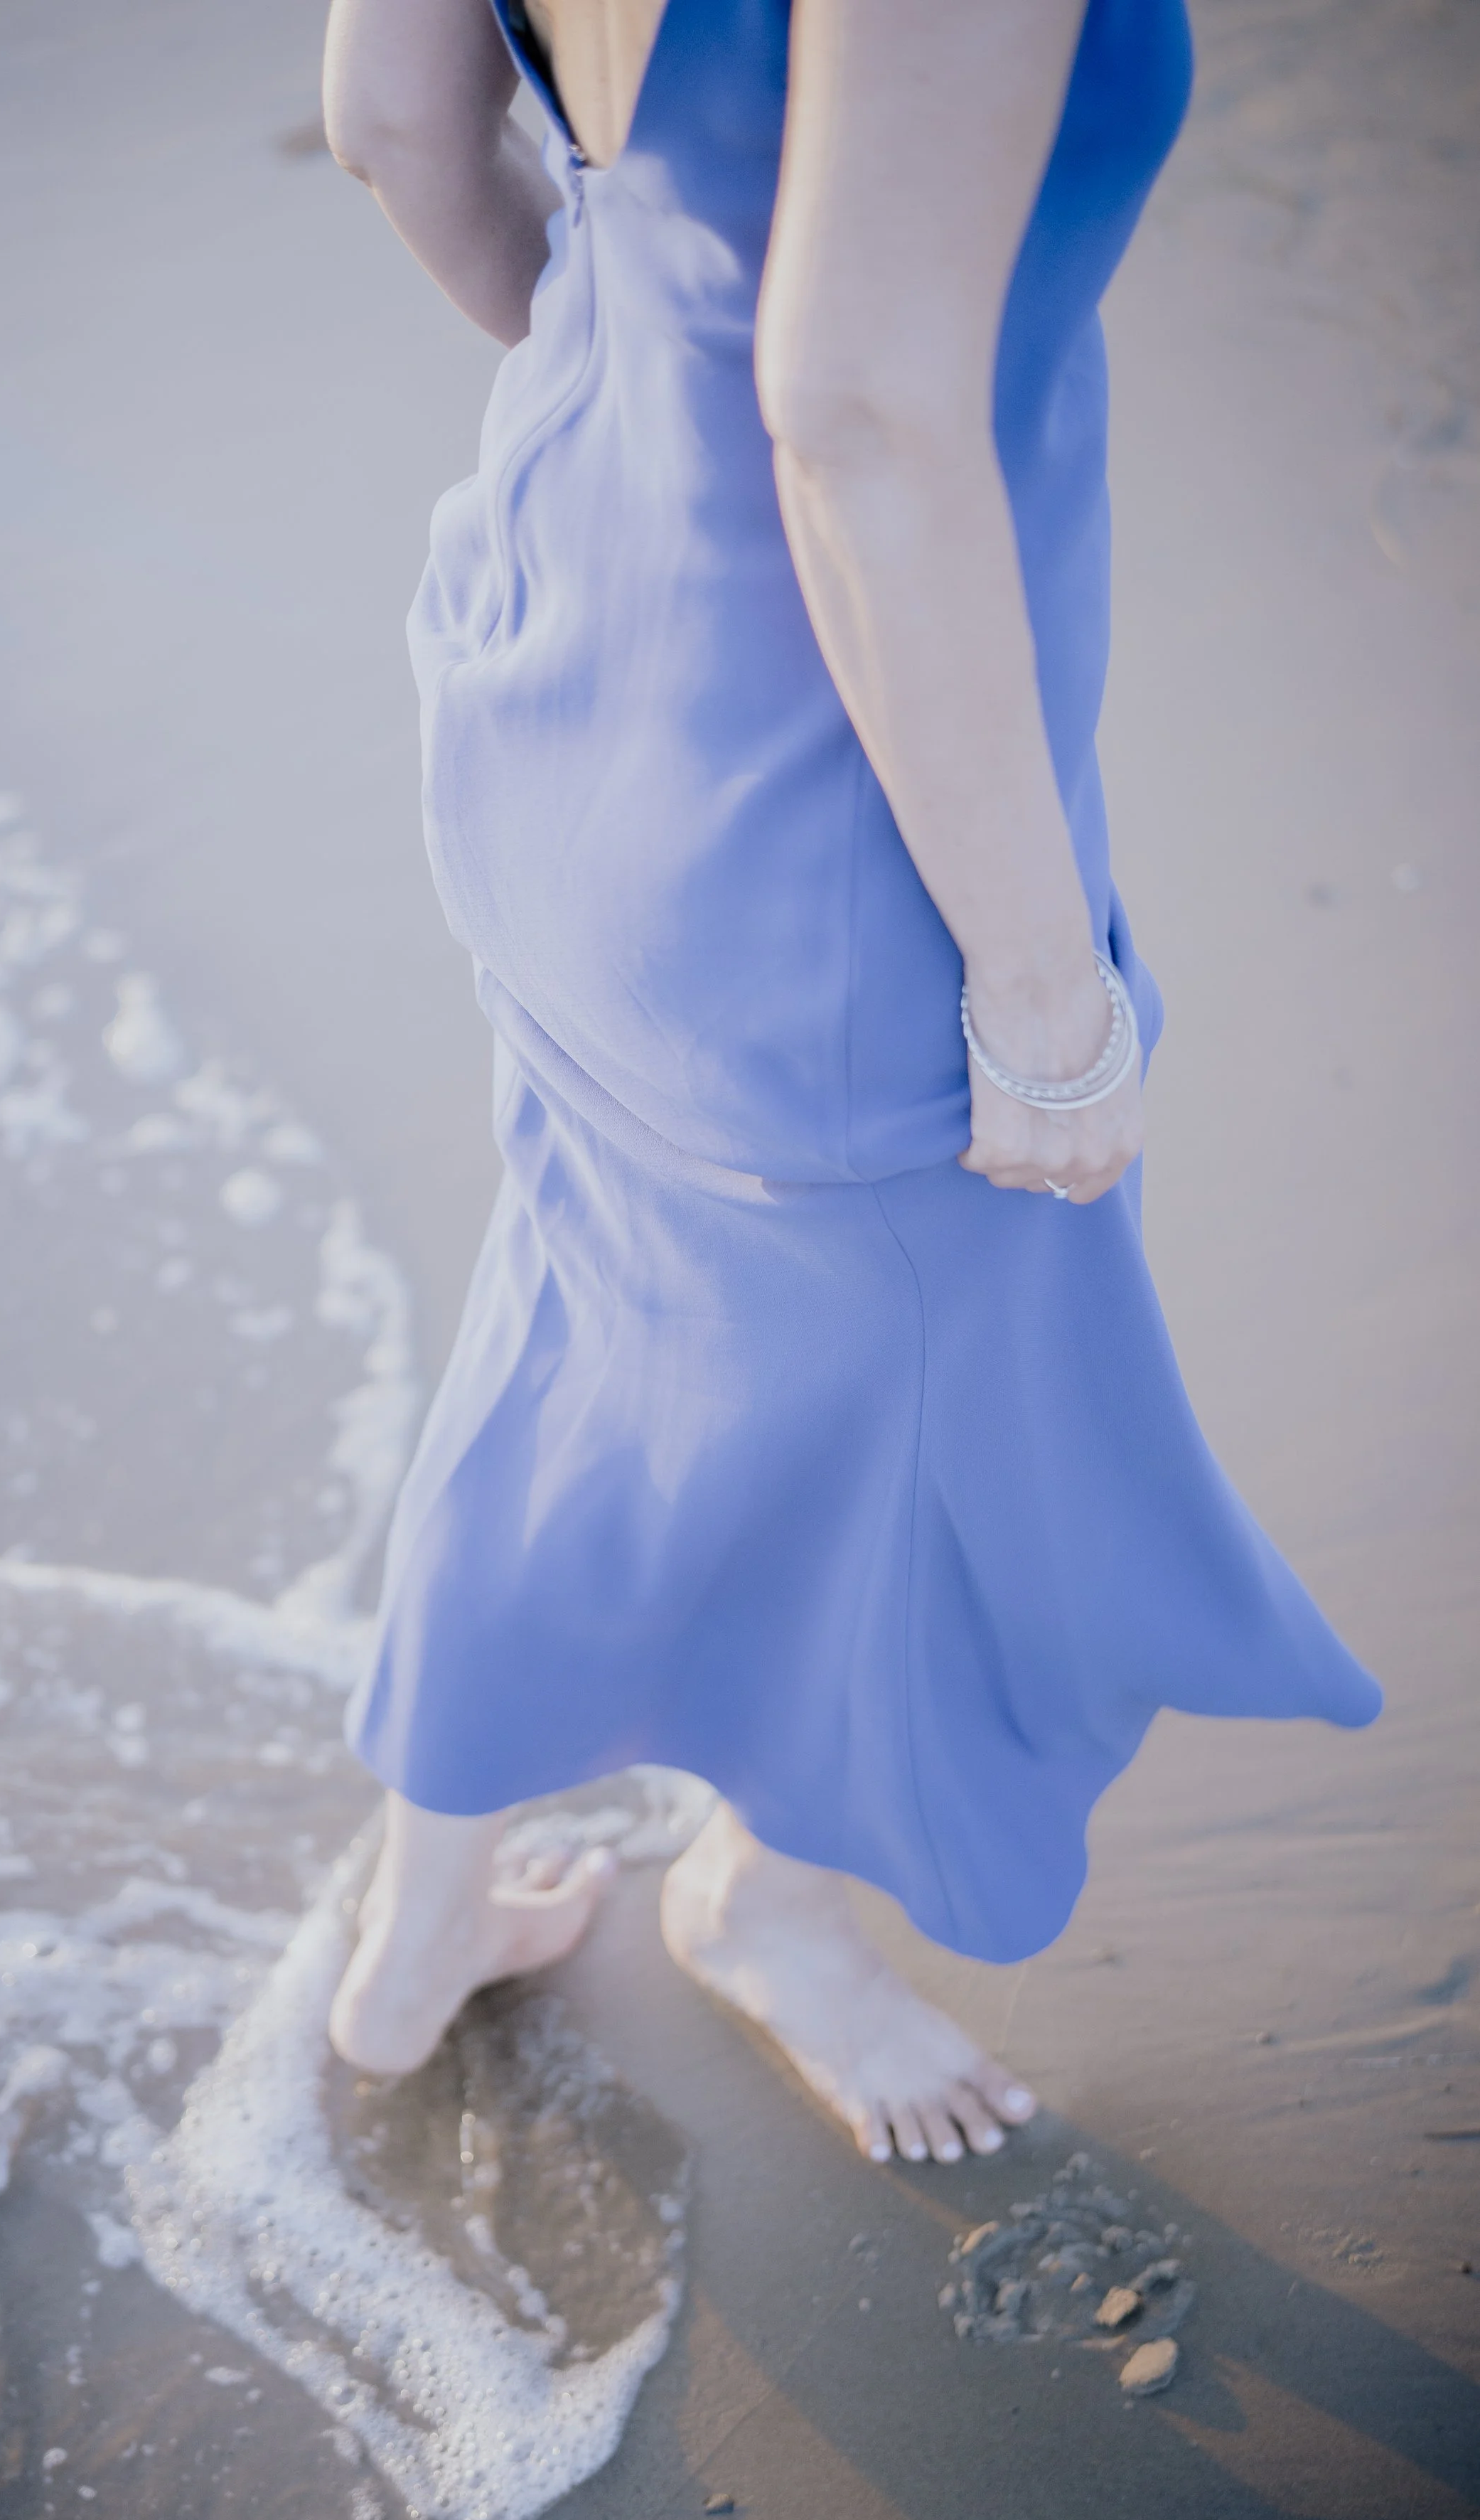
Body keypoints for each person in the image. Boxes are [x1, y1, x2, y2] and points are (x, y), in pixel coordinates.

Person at [316, 0, 1381, 2166]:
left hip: (560, 631)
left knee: (584, 1279)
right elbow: (859, 415)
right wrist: (1039, 990)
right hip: (819, 781)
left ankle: (420, 1910)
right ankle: (766, 1907)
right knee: (957, 1400)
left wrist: (647, 421)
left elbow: (393, 126)